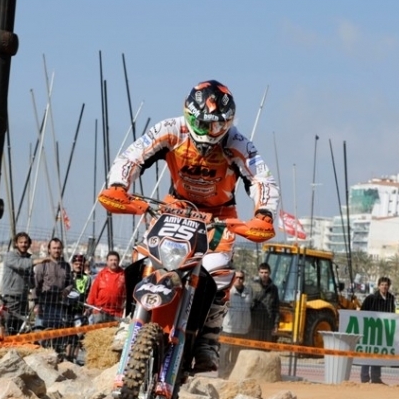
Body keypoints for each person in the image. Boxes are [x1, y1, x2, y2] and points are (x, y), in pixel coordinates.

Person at [99, 80, 279, 372]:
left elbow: (261, 178)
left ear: (227, 122)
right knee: (144, 256)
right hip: (174, 208)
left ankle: (208, 338)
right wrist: (119, 185)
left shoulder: (238, 143)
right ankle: (129, 319)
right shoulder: (171, 129)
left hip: (219, 216)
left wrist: (265, 214)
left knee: (218, 269)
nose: (208, 131)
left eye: (216, 124)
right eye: (203, 123)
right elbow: (133, 156)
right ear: (190, 114)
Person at [33, 238, 73, 356]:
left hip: (59, 305)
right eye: (54, 248)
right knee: (40, 333)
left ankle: (53, 356)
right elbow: (35, 285)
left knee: (56, 333)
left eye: (59, 248)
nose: (56, 250)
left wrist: (66, 291)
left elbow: (71, 283)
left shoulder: (66, 266)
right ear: (49, 250)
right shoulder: (42, 265)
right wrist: (36, 304)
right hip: (44, 304)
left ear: (62, 249)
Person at [360, 276, 396, 384]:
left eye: (386, 285)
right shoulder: (371, 298)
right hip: (370, 330)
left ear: (389, 286)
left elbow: (392, 314)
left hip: (383, 330)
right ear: (378, 286)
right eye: (382, 285)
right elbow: (362, 313)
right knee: (368, 352)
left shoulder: (391, 299)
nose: (384, 287)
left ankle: (376, 377)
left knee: (378, 353)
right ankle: (364, 377)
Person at [0, 232, 35, 334]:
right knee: (9, 325)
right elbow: (20, 264)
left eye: (26, 242)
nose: (23, 244)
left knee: (20, 328)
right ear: (16, 243)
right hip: (11, 296)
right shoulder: (10, 256)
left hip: (23, 298)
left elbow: (31, 280)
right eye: (21, 242)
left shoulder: (28, 259)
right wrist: (37, 261)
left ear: (29, 244)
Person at [220, 270, 252, 375]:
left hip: (242, 330)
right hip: (228, 329)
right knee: (224, 354)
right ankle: (223, 375)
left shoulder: (249, 291)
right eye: (236, 277)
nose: (238, 280)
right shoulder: (228, 291)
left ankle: (232, 375)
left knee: (237, 355)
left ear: (244, 279)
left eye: (241, 278)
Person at [87, 250, 125, 324]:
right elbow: (93, 291)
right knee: (97, 330)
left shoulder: (123, 275)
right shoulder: (101, 274)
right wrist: (90, 306)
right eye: (111, 260)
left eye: (115, 260)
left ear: (119, 261)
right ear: (107, 261)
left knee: (114, 331)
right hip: (100, 310)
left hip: (116, 312)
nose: (113, 262)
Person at [249, 262, 280, 343]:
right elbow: (248, 304)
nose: (264, 275)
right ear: (258, 273)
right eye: (262, 272)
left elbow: (276, 308)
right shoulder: (254, 286)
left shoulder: (274, 289)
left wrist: (276, 325)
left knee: (266, 347)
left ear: (269, 273)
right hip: (255, 324)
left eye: (266, 272)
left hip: (268, 325)